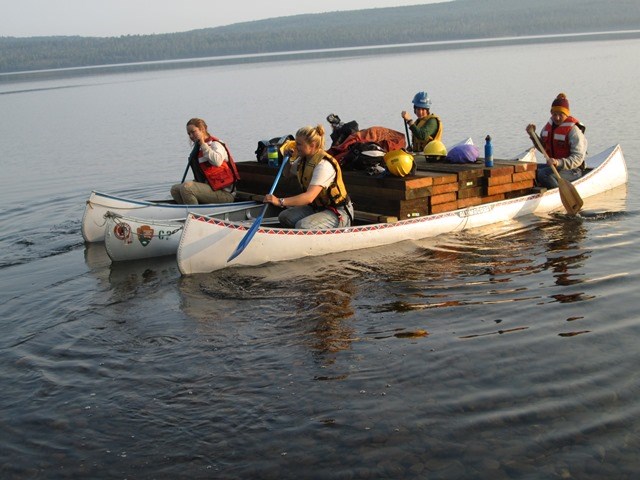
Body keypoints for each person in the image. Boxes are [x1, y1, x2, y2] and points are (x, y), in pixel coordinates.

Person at [264, 124, 354, 229]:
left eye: (299, 144)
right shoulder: (303, 159)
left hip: (337, 212)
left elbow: (309, 197)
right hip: (317, 207)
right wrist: (287, 159)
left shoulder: (323, 165)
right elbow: (287, 174)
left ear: (312, 145)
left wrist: (280, 201)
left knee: (303, 226)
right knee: (285, 217)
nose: (295, 147)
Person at [170, 118, 240, 204]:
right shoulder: (198, 149)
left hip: (225, 194)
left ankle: (196, 214)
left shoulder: (216, 144)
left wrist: (203, 144)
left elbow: (217, 161)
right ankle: (186, 210)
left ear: (202, 129)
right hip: (210, 189)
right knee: (175, 189)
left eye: (193, 132)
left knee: (186, 188)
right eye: (189, 134)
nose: (191, 136)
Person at [528, 93, 587, 189]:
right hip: (555, 167)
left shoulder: (574, 131)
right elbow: (544, 149)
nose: (557, 117)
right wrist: (533, 135)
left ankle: (558, 192)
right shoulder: (548, 128)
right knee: (530, 168)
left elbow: (578, 158)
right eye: (554, 114)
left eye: (561, 114)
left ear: (566, 114)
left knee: (544, 174)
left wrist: (558, 162)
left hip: (573, 170)